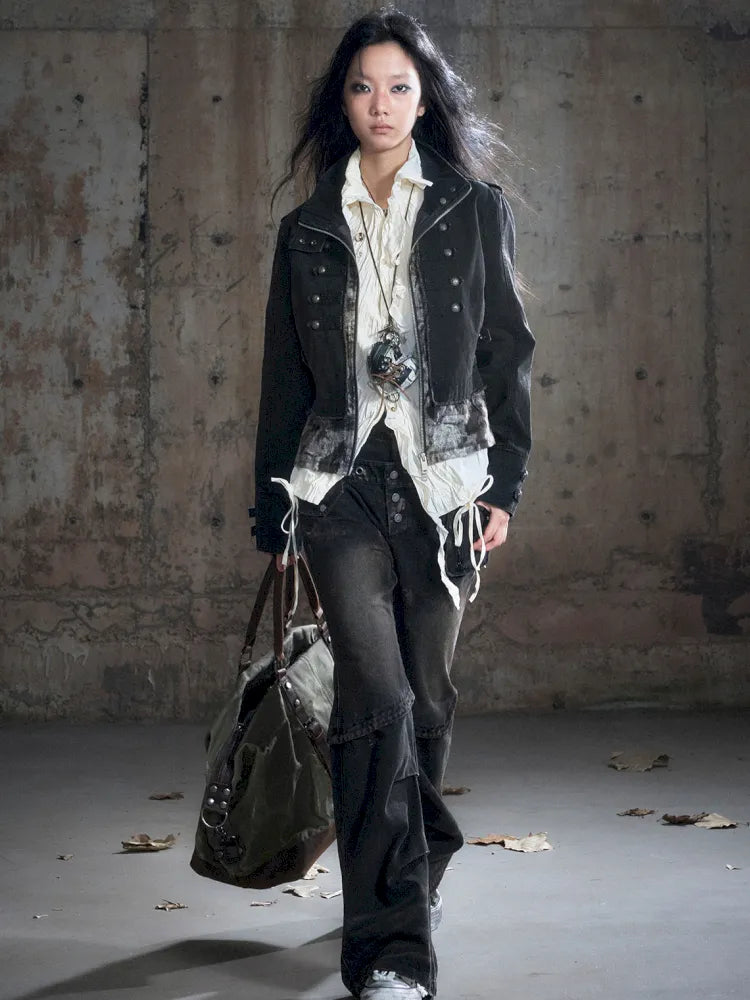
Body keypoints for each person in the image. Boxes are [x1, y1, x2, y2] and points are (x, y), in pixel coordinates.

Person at [254, 9, 534, 998]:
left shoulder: (473, 210)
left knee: (426, 698)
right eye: (364, 86)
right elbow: (285, 379)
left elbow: (508, 351)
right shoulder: (306, 230)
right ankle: (391, 951)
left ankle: (420, 852)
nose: (382, 103)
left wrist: (506, 484)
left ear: (425, 100)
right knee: (374, 703)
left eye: (400, 87)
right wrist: (273, 514)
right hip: (339, 483)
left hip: (445, 481)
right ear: (343, 101)